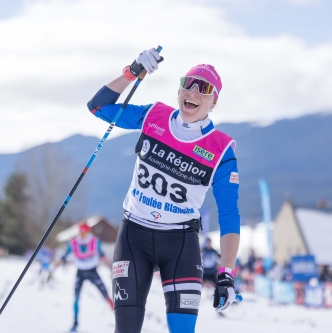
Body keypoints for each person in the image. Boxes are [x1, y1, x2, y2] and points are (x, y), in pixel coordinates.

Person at [87, 48, 240, 333]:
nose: (192, 92)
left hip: (180, 245)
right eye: (187, 84)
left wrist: (226, 274)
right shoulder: (153, 116)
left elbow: (229, 216)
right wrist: (131, 71)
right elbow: (98, 106)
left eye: (203, 88)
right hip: (134, 237)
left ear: (213, 101)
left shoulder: (221, 150)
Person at [56, 221, 113, 332]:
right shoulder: (73, 242)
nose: (82, 234)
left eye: (84, 232)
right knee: (76, 298)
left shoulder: (95, 241)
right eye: (80, 232)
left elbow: (102, 255)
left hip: (93, 271)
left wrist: (110, 268)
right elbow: (64, 256)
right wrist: (53, 268)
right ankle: (75, 322)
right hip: (80, 272)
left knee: (105, 294)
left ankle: (119, 317)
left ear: (88, 231)